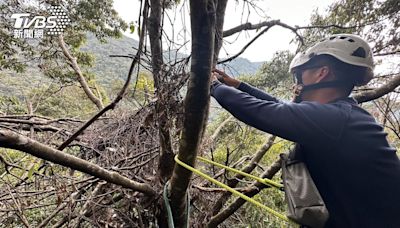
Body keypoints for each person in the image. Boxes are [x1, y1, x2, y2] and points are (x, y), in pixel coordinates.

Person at [210, 34, 400, 228]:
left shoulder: (336, 119)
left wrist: (214, 86)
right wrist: (238, 86)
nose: (297, 81)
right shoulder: (342, 116)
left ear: (322, 73)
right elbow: (280, 106)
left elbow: (264, 112)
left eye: (300, 74)